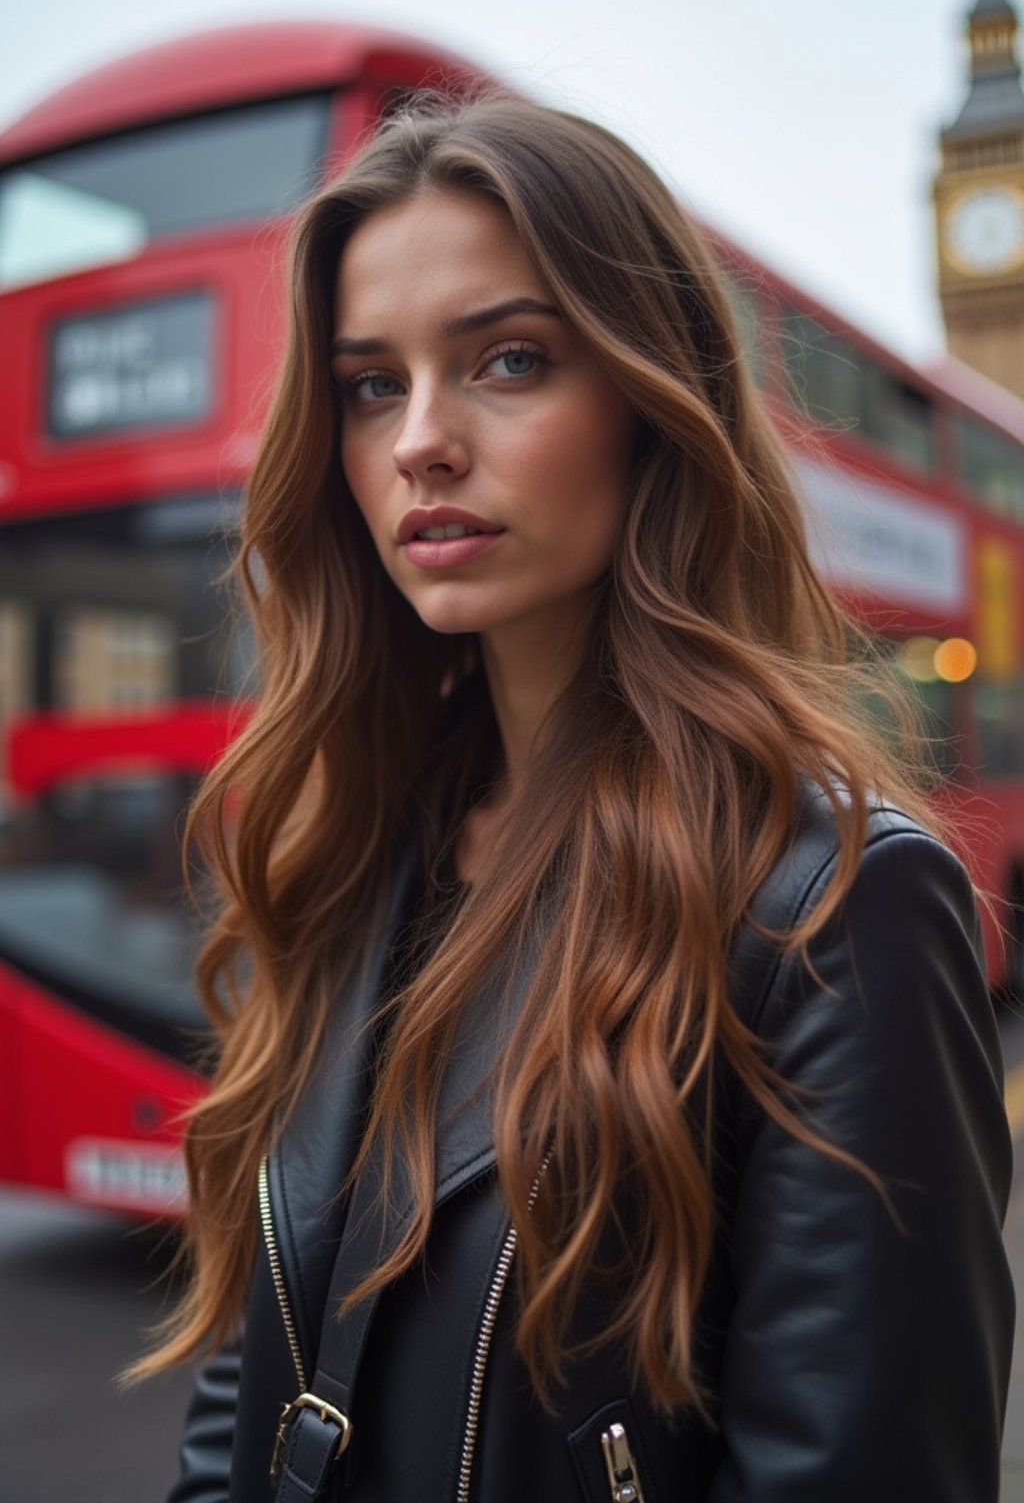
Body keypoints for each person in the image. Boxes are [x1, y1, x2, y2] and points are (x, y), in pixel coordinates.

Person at [148, 94, 1014, 1502]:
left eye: (505, 360)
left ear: (648, 396)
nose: (422, 438)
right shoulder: (355, 848)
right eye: (373, 384)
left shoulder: (834, 910)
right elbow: (253, 1383)